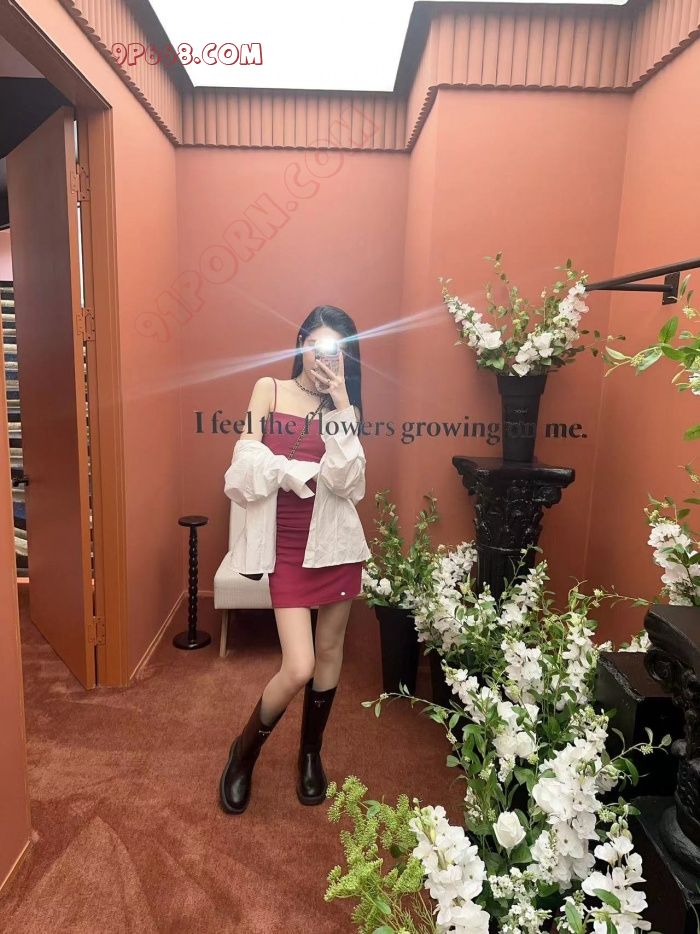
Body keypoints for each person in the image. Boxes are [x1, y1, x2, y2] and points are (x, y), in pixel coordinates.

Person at [219, 305, 371, 814]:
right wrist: (284, 469)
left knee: (328, 653)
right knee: (299, 665)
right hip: (285, 546)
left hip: (335, 546)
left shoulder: (345, 408)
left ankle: (310, 754)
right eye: (315, 344)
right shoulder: (269, 389)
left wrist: (341, 403)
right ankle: (244, 752)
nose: (322, 356)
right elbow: (244, 459)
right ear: (302, 343)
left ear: (345, 358)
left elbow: (348, 483)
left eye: (334, 350)